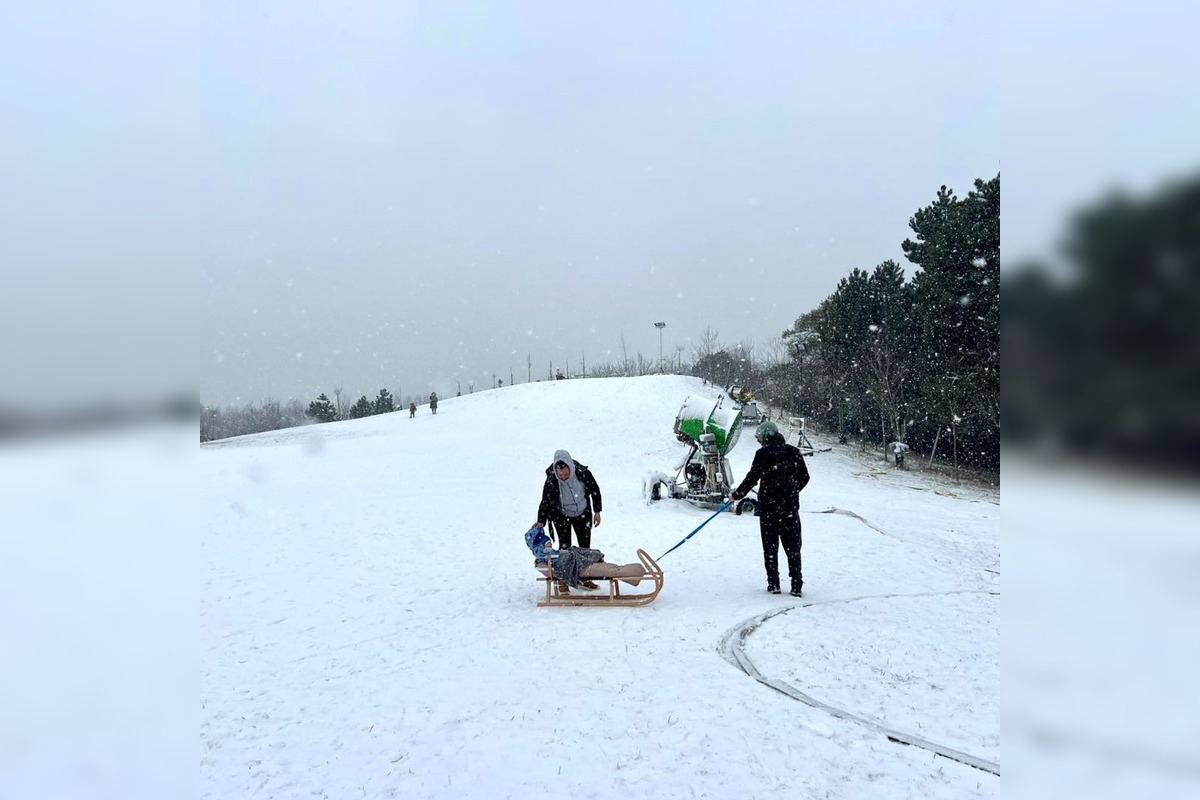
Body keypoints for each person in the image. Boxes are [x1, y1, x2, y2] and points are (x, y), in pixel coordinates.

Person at [729, 420, 811, 597]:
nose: (759, 442)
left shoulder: (763, 454)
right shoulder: (794, 452)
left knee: (770, 548)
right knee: (793, 548)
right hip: (790, 509)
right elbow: (805, 477)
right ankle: (796, 584)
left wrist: (736, 495)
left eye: (760, 438)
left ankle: (774, 583)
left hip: (769, 510)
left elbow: (752, 478)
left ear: (766, 436)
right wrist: (792, 491)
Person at [533, 449, 603, 592]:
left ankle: (584, 578)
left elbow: (595, 490)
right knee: (564, 549)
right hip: (561, 515)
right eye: (560, 475)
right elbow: (546, 500)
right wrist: (541, 520)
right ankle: (563, 581)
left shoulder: (582, 473)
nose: (563, 477)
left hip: (583, 513)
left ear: (570, 467)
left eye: (566, 474)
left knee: (585, 549)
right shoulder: (552, 479)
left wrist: (597, 511)